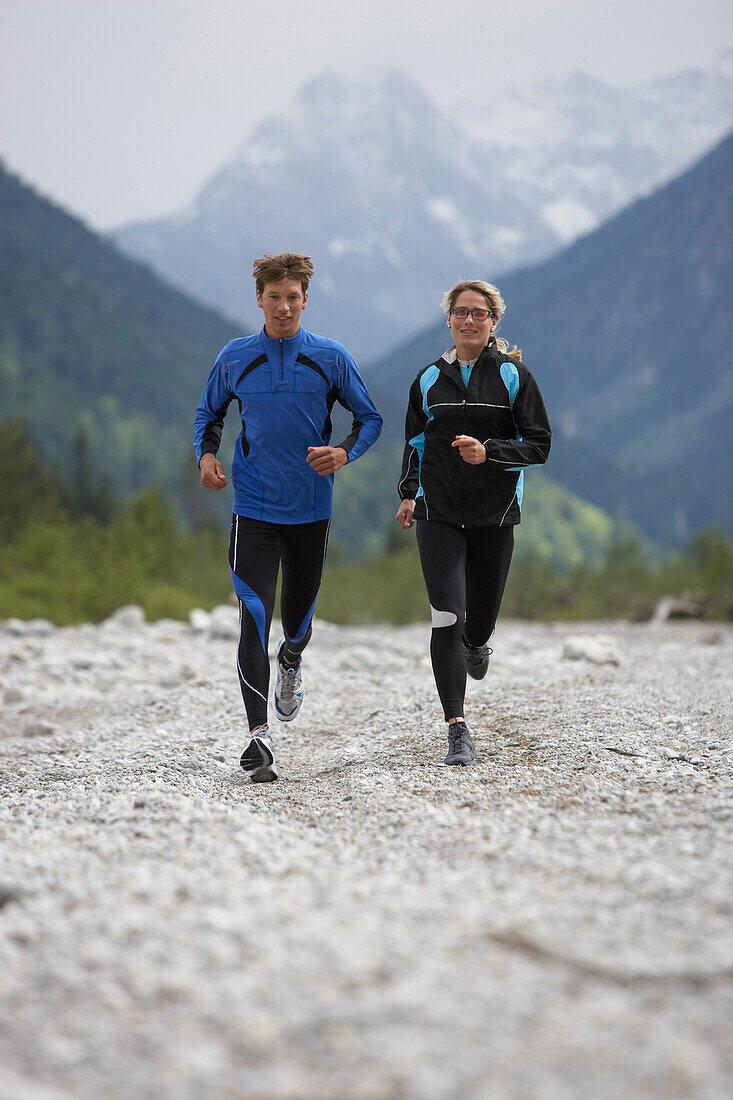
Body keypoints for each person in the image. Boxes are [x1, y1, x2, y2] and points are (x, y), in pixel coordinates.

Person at [194, 253, 382, 783]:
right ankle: (258, 738)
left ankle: (292, 661)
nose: (282, 307)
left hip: (310, 509)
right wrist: (206, 456)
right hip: (252, 506)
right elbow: (209, 414)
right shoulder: (235, 358)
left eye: (292, 297)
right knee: (252, 614)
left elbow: (369, 418)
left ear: (305, 300)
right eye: (273, 297)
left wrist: (344, 452)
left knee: (296, 622)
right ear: (258, 299)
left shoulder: (330, 357)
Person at [396, 280, 551, 766]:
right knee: (446, 614)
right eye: (460, 312)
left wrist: (491, 454)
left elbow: (539, 445)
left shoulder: (513, 376)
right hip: (437, 511)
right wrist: (407, 494)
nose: (468, 321)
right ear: (448, 320)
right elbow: (415, 444)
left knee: (477, 624)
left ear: (492, 323)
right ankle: (457, 728)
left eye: (478, 314)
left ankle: (478, 644)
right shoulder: (427, 380)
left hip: (493, 513)